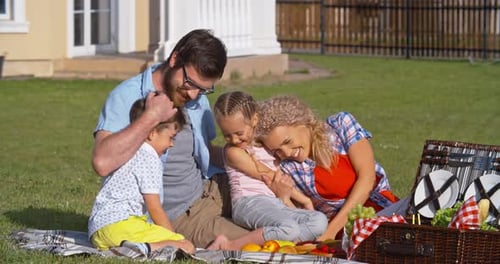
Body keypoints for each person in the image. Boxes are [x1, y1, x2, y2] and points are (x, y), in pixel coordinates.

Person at [92, 29, 293, 248]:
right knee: (279, 237)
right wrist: (151, 116)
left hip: (211, 186)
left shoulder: (196, 100)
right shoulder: (127, 96)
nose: (193, 95)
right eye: (190, 83)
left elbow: (206, 151)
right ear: (175, 58)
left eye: (204, 89)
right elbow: (102, 163)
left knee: (295, 198)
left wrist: (260, 166)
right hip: (183, 215)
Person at [255, 95, 399, 240]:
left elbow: (367, 179)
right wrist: (284, 198)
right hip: (343, 232)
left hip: (383, 210)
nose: (286, 153)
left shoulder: (340, 125)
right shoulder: (289, 167)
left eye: (287, 141)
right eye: (277, 150)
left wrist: (330, 232)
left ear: (301, 123)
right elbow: (305, 216)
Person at [207, 91, 328, 250]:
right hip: (248, 202)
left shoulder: (266, 145)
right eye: (227, 136)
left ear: (254, 120)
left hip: (273, 202)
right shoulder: (233, 152)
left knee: (319, 220)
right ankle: (228, 245)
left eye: (239, 133)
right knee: (289, 228)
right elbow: (268, 176)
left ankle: (287, 247)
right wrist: (304, 200)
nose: (234, 140)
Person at [88, 98, 195, 256]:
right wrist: (173, 237)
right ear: (151, 133)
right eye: (171, 138)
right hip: (122, 226)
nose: (171, 144)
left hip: (98, 231)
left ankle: (127, 247)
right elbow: (154, 207)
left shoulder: (127, 150)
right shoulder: (149, 157)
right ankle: (140, 248)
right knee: (186, 245)